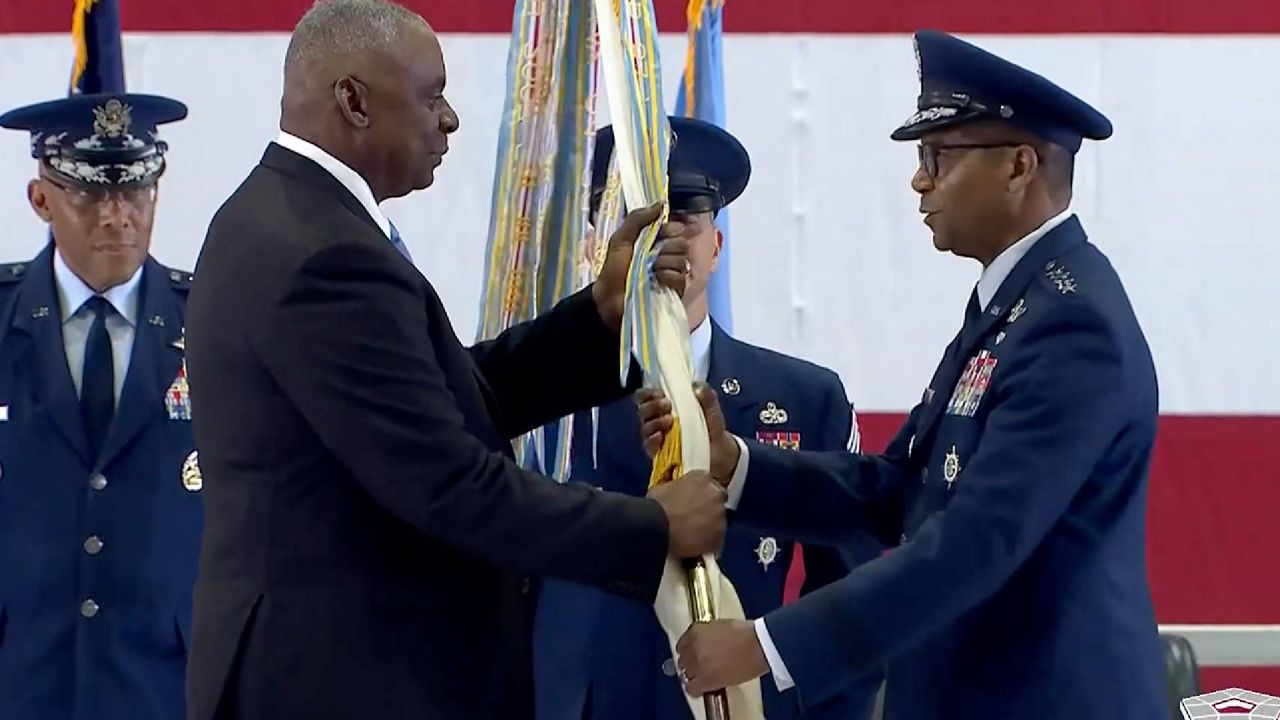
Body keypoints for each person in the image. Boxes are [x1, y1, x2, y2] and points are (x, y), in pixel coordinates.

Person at [181, 2, 727, 719]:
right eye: (431, 95)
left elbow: (437, 400)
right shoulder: (325, 257)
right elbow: (448, 484)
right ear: (353, 101)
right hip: (345, 683)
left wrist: (599, 318)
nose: (450, 120)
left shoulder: (282, 218)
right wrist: (651, 528)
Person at [639, 29, 1167, 719]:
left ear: (1018, 167)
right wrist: (732, 463)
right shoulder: (1012, 306)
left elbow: (974, 543)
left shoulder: (1073, 326)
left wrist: (765, 646)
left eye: (938, 155)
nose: (920, 179)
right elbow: (901, 491)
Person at [532, 116, 883, 720]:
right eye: (639, 225)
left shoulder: (805, 398)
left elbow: (850, 597)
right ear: (600, 245)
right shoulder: (540, 392)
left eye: (685, 223)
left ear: (715, 247)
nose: (665, 242)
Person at [0, 92, 202, 720]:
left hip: (164, 683)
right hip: (20, 674)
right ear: (42, 200)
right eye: (90, 193)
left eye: (136, 191)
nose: (117, 215)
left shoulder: (213, 323)